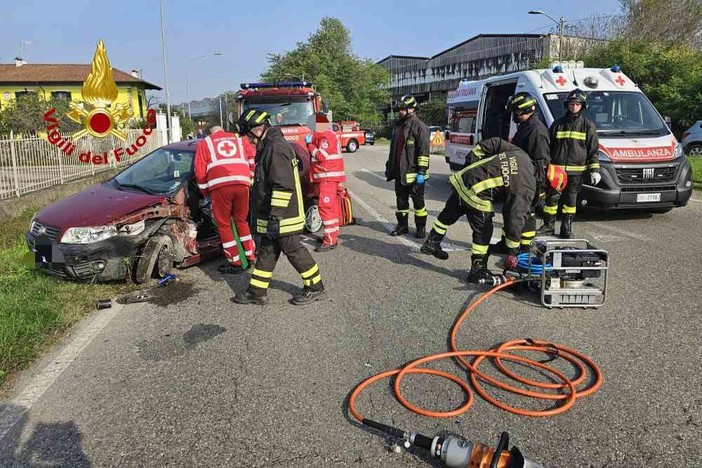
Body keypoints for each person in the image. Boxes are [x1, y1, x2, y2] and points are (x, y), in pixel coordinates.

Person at [233, 108, 326, 306]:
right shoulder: (269, 145)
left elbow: (283, 186)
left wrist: (275, 218)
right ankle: (257, 292)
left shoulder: (275, 147)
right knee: (267, 251)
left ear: (257, 130)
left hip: (284, 215)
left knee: (293, 250)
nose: (247, 141)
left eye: (248, 136)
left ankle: (315, 287)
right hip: (273, 215)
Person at [419, 137, 535, 283]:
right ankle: (477, 269)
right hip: (478, 192)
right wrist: (513, 252)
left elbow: (496, 142)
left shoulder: (522, 155)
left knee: (448, 214)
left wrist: (472, 159)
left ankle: (432, 242)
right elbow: (514, 218)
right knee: (484, 230)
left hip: (464, 179)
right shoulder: (526, 186)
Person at [491, 92, 551, 254]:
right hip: (519, 179)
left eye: (516, 112)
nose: (514, 116)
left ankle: (524, 248)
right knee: (511, 212)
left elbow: (540, 163)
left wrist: (536, 189)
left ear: (527, 110)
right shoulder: (526, 127)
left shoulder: (536, 131)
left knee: (523, 215)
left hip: (528, 182)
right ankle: (507, 243)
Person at [538, 88, 600, 239]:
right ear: (567, 105)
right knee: (551, 201)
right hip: (556, 172)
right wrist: (546, 167)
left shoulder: (588, 126)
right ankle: (548, 227)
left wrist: (594, 170)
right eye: (571, 104)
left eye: (577, 104)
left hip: (576, 173)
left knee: (570, 203)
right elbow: (548, 147)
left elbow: (593, 150)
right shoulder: (557, 124)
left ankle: (566, 228)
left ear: (582, 106)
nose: (574, 107)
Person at [194, 125, 256, 274]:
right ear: (222, 130)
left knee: (224, 225)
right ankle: (251, 254)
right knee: (241, 221)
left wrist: (205, 191)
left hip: (220, 186)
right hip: (242, 184)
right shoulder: (238, 138)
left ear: (211, 133)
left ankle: (235, 262)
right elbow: (252, 155)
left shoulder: (205, 142)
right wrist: (250, 174)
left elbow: (200, 170)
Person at [385, 94, 431, 238]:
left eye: (404, 109)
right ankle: (402, 226)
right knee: (401, 202)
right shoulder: (399, 127)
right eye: (400, 109)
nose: (401, 111)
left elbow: (424, 152)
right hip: (400, 172)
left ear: (412, 109)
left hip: (416, 174)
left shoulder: (420, 127)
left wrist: (422, 172)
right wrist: (389, 166)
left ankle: (420, 228)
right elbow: (394, 150)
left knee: (418, 204)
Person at [305, 113, 346, 252]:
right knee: (331, 208)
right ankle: (332, 235)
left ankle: (329, 240)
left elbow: (321, 156)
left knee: (325, 208)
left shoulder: (325, 136)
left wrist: (309, 145)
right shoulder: (328, 134)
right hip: (328, 177)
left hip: (326, 176)